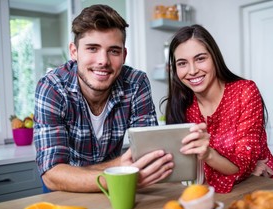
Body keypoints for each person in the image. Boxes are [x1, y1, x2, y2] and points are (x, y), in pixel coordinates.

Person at [34, 4, 174, 192]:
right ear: (74, 52)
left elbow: (145, 154)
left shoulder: (136, 82)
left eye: (113, 51)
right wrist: (122, 174)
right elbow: (52, 174)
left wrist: (121, 172)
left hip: (112, 182)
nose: (103, 61)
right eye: (92, 48)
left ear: (124, 55)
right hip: (65, 189)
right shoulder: (52, 87)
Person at [161, 24, 273, 193]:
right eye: (182, 63)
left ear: (214, 58)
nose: (193, 71)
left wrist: (213, 159)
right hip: (211, 194)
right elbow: (184, 169)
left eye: (200, 59)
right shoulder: (182, 106)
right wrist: (242, 171)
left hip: (260, 187)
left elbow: (244, 165)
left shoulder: (245, 91)